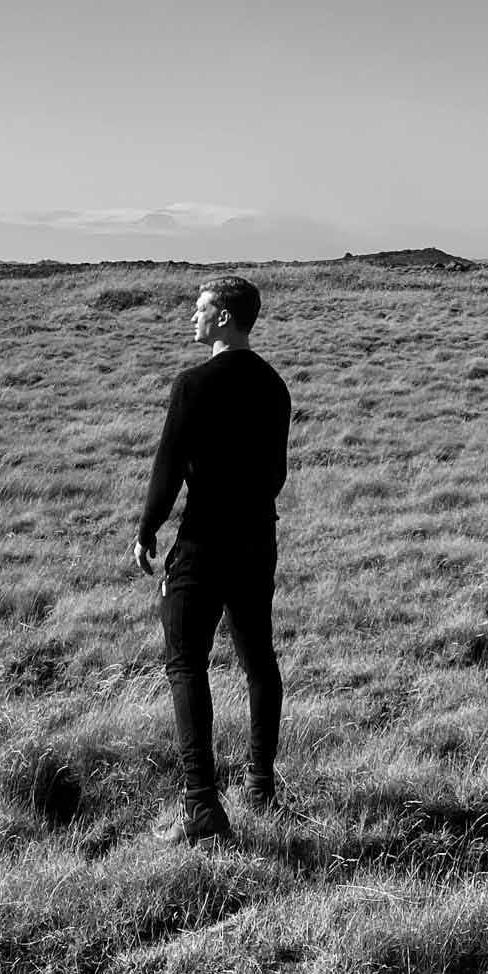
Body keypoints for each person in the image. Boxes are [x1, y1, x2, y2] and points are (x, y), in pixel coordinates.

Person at [134, 274, 293, 845]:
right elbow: (276, 474)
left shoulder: (194, 385)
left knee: (185, 664)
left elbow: (169, 464)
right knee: (258, 659)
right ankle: (260, 788)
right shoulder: (275, 387)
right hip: (257, 539)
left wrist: (148, 528)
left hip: (203, 542)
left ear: (224, 318)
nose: (192, 318)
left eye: (200, 309)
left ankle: (201, 805)